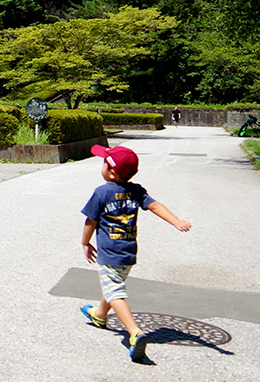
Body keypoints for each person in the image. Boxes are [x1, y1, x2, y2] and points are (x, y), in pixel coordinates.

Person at [79, 145, 192, 362]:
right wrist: (176, 221)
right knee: (113, 284)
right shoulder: (136, 190)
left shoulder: (101, 192)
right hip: (128, 252)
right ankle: (100, 315)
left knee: (114, 291)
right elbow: (155, 205)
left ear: (111, 172)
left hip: (110, 252)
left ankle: (134, 333)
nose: (101, 166)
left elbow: (90, 221)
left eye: (104, 163)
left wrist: (85, 243)